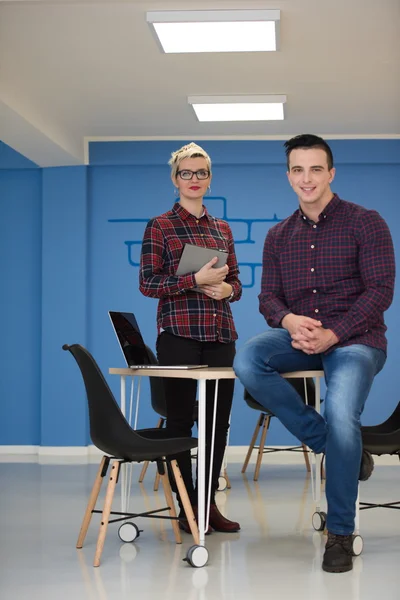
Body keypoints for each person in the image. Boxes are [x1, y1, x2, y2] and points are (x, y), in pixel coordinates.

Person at [233, 134, 395, 572]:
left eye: (316, 169)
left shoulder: (367, 222)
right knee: (248, 360)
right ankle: (336, 446)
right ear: (289, 176)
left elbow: (381, 291)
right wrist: (288, 321)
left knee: (343, 413)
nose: (307, 178)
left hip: (357, 339)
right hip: (301, 336)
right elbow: (268, 298)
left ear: (331, 173)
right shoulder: (278, 236)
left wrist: (334, 333)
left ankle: (340, 533)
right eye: (298, 170)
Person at [139, 142, 242, 533]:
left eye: (201, 173)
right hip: (178, 333)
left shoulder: (222, 228)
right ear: (175, 179)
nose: (194, 179)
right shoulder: (160, 225)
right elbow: (148, 283)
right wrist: (194, 281)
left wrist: (228, 290)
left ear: (210, 179)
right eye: (187, 173)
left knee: (217, 422)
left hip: (220, 333)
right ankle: (187, 507)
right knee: (180, 419)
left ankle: (206, 501)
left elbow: (237, 282)